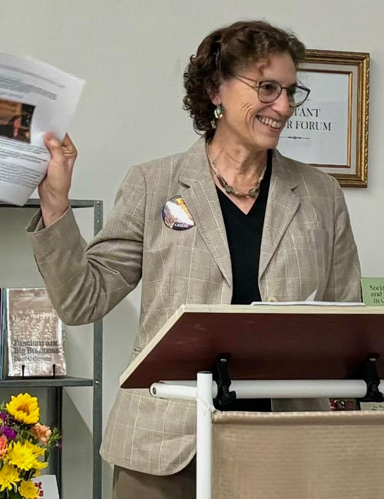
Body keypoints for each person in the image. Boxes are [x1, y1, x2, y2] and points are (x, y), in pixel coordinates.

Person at [27, 20, 361, 498]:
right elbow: (83, 301)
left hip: (289, 448)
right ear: (215, 89)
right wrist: (56, 206)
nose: (283, 107)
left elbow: (344, 327)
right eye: (267, 88)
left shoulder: (320, 194)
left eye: (290, 92)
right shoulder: (153, 183)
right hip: (166, 449)